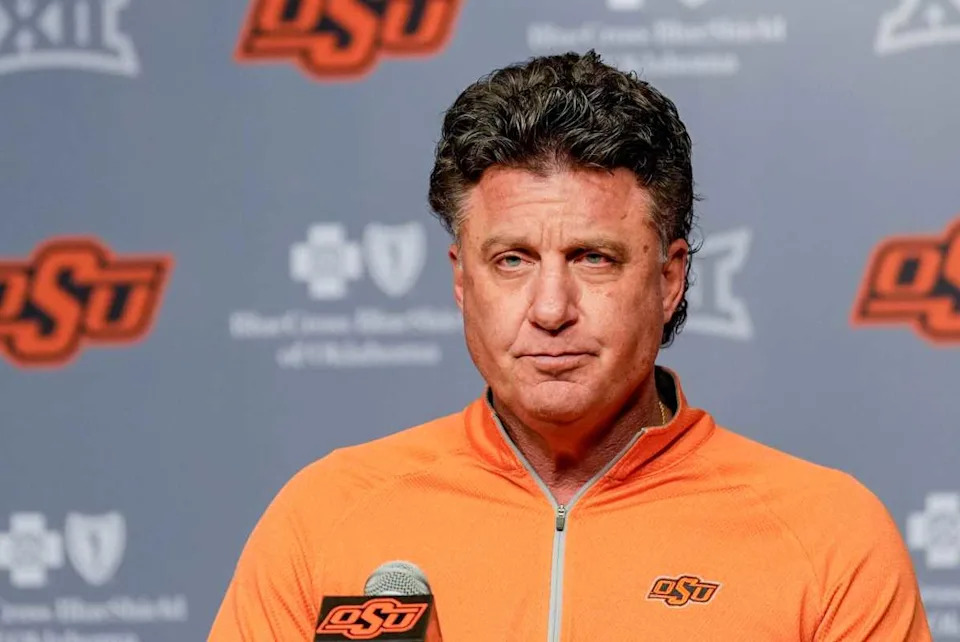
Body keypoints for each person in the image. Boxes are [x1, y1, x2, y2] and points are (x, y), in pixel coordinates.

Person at [208, 51, 931, 640]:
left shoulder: (826, 534)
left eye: (593, 258)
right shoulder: (326, 515)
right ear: (462, 280)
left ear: (669, 278)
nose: (551, 309)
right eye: (512, 260)